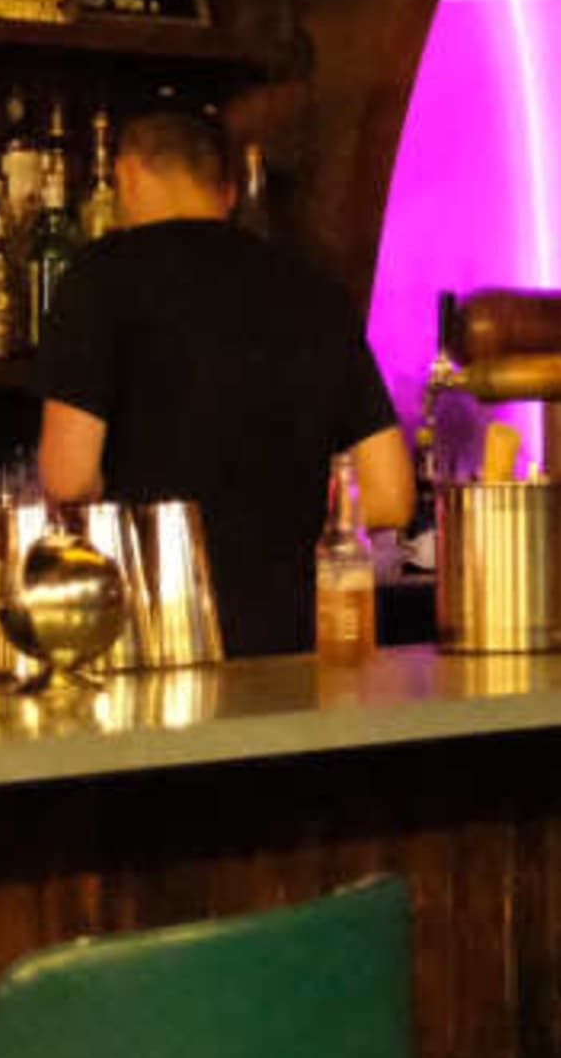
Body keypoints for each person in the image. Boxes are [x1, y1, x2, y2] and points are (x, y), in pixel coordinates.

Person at [33, 109, 414, 658]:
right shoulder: (313, 289)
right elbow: (390, 496)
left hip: (154, 642)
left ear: (128, 175)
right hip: (295, 652)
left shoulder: (99, 277)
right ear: (229, 191)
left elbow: (68, 478)